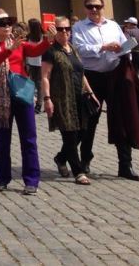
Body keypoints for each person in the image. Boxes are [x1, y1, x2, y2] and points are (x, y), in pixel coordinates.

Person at [73, 0, 139, 181]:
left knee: (121, 118)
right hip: (92, 77)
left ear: (102, 7)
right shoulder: (79, 27)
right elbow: (79, 49)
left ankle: (125, 165)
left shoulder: (113, 26)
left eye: (97, 6)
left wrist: (124, 51)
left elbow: (124, 46)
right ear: (85, 8)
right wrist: (103, 47)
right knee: (90, 120)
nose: (94, 9)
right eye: (90, 6)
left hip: (115, 75)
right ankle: (85, 159)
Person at [0, 11, 48, 195]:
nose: (7, 26)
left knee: (29, 139)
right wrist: (9, 49)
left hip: (22, 95)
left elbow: (35, 51)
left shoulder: (19, 43)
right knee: (3, 140)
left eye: (9, 23)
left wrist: (48, 40)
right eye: (2, 23)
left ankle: (31, 180)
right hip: (1, 98)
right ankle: (2, 178)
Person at [40, 17, 96, 185]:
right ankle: (78, 172)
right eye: (60, 29)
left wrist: (90, 92)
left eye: (67, 28)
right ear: (54, 31)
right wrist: (47, 99)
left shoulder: (73, 49)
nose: (64, 32)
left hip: (79, 97)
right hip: (62, 99)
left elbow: (81, 73)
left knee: (82, 132)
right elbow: (45, 77)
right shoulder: (51, 52)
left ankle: (60, 158)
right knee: (70, 136)